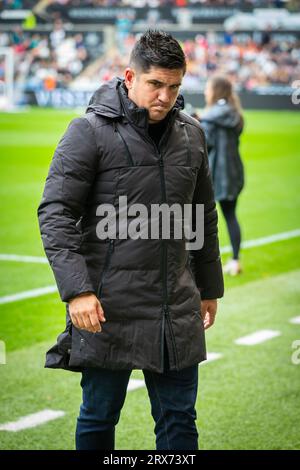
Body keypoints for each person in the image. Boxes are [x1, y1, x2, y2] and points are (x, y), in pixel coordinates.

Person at [37, 30, 224, 451]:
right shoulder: (87, 131)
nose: (165, 96)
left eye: (174, 87)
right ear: (129, 77)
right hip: (107, 309)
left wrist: (209, 289)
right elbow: (55, 212)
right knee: (99, 416)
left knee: (179, 421)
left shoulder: (193, 135)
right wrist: (77, 291)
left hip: (174, 309)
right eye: (155, 84)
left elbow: (203, 218)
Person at [200, 75, 245, 276]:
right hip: (234, 173)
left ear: (216, 91)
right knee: (230, 216)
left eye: (208, 88)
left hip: (216, 174)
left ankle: (201, 264)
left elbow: (205, 144)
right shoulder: (235, 114)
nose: (205, 92)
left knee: (201, 218)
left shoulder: (210, 118)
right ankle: (235, 260)